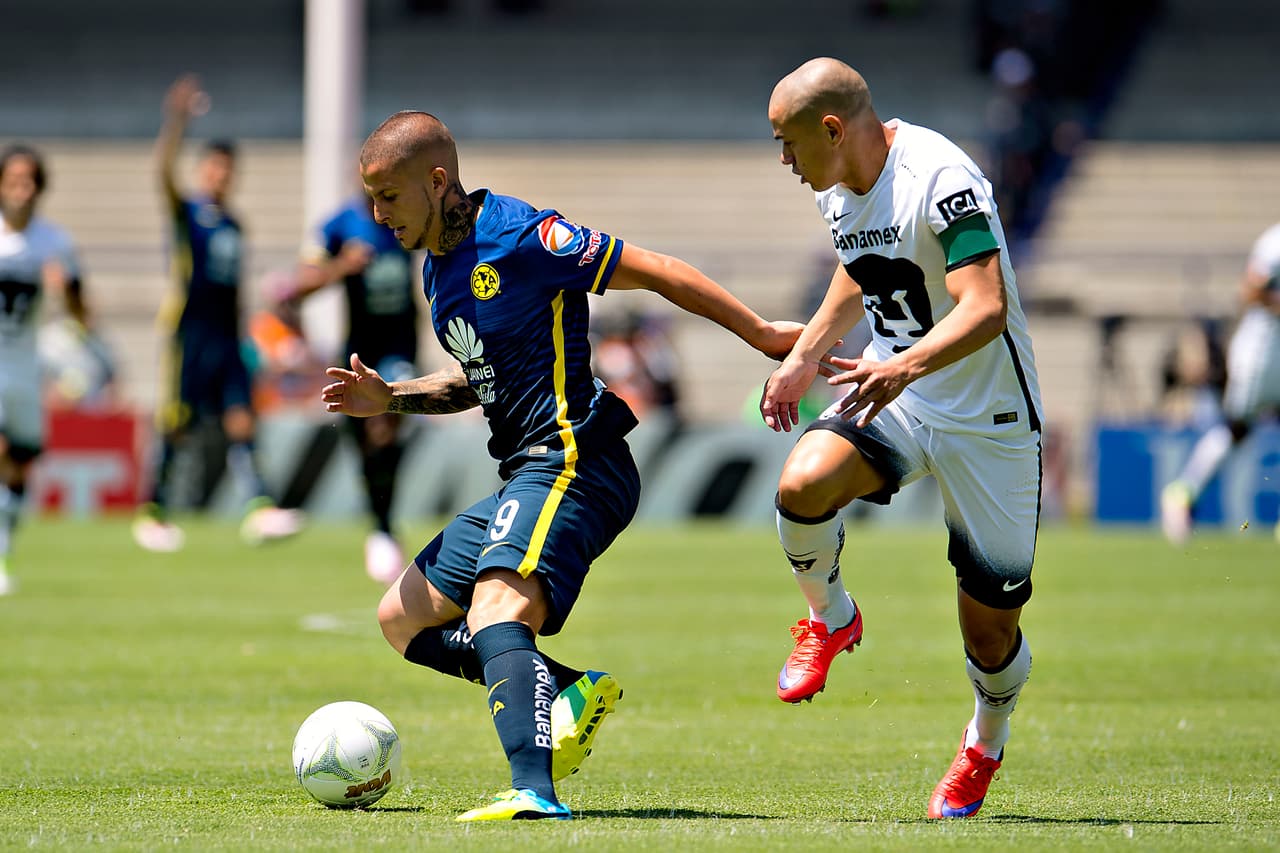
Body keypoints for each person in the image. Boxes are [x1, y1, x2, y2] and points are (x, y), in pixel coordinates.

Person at [322, 111, 802, 821]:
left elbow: (658, 271)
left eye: (387, 195)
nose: (375, 213)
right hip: (525, 470)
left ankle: (534, 789)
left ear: (436, 180)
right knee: (402, 617)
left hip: (576, 456)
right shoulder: (436, 268)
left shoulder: (522, 235)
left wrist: (761, 333)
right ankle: (564, 689)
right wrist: (391, 397)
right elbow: (475, 380)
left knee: (494, 607)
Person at [758, 58, 1043, 819]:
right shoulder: (835, 184)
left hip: (989, 417)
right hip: (900, 387)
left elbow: (983, 306)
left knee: (989, 631)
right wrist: (806, 356)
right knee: (800, 485)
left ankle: (986, 737)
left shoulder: (942, 176)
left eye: (789, 142)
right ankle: (830, 616)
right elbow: (861, 268)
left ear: (831, 128)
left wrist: (908, 365)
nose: (784, 160)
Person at [132, 75, 305, 552]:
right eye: (214, 168)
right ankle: (153, 510)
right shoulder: (187, 213)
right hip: (190, 332)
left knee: (241, 417)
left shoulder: (235, 223)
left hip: (228, 335)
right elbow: (162, 175)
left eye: (228, 170)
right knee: (179, 422)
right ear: (203, 169)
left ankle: (259, 507)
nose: (221, 176)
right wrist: (177, 121)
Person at [296, 192, 420, 584]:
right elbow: (298, 287)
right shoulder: (339, 225)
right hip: (359, 349)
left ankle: (383, 528)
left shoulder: (410, 212)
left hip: (400, 345)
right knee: (363, 438)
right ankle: (380, 524)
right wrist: (342, 266)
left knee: (385, 424)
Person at [1161, 222, 1280, 544]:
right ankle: (1183, 492)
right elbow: (1250, 290)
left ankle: (1183, 492)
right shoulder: (1275, 242)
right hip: (1264, 356)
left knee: (1238, 431)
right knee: (1237, 429)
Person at [0, 144, 84, 595]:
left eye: (30, 180)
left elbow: (82, 311)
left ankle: (4, 543)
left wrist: (64, 288)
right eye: (13, 179)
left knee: (19, 464)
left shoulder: (55, 243)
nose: (22, 189)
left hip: (26, 368)